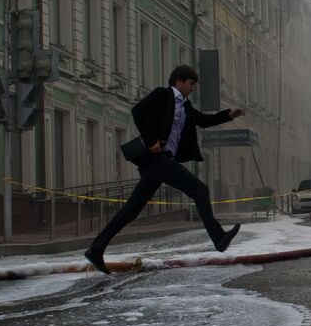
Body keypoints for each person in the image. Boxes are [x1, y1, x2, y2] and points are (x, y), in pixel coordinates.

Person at [85, 65, 244, 274]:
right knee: (200, 190)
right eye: (191, 84)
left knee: (132, 209)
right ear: (179, 81)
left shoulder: (186, 107)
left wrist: (228, 115)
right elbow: (137, 111)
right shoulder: (163, 94)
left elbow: (204, 120)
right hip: (157, 158)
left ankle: (96, 249)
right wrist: (151, 140)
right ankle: (219, 238)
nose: (193, 88)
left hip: (162, 161)